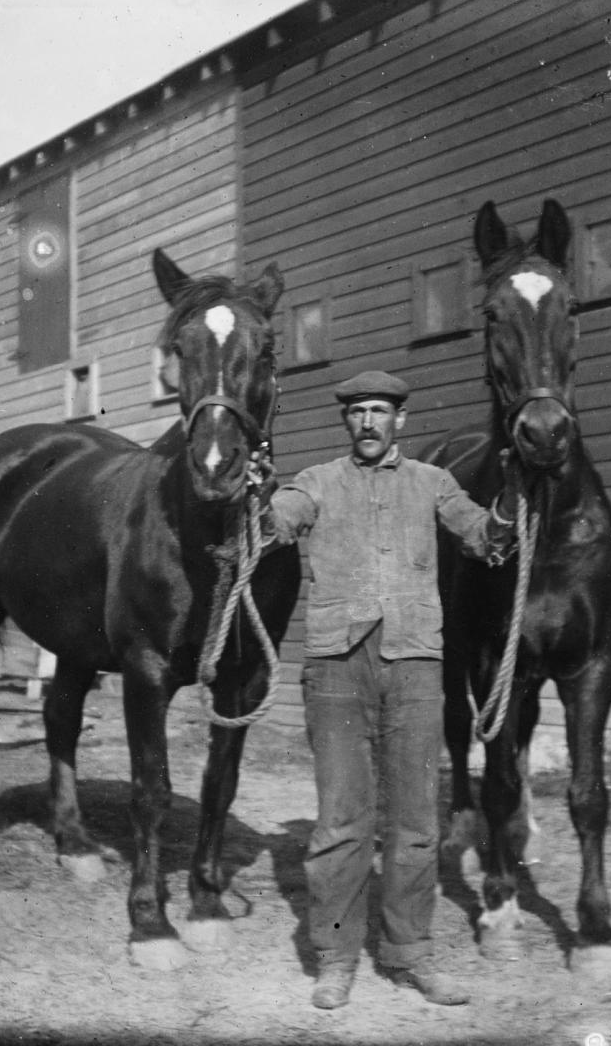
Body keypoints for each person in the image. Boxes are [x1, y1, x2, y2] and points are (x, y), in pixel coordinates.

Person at [259, 369, 520, 1010]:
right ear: (346, 422)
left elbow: (485, 537)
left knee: (413, 823)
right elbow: (275, 523)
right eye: (358, 412)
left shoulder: (434, 484)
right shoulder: (316, 482)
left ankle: (411, 956)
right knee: (343, 821)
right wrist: (257, 503)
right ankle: (338, 959)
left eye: (380, 411)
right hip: (337, 671)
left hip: (414, 666)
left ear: (400, 420)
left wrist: (514, 494)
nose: (369, 422)